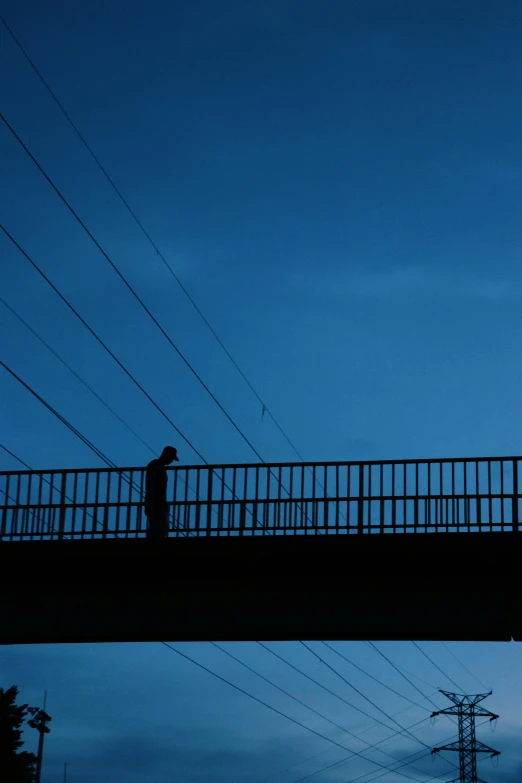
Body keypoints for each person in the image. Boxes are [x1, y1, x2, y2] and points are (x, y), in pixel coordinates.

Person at [144, 446, 179, 539]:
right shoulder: (154, 465)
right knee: (156, 529)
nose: (171, 461)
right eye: (171, 458)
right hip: (155, 502)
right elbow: (151, 486)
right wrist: (149, 501)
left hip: (159, 503)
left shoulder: (158, 466)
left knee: (159, 528)